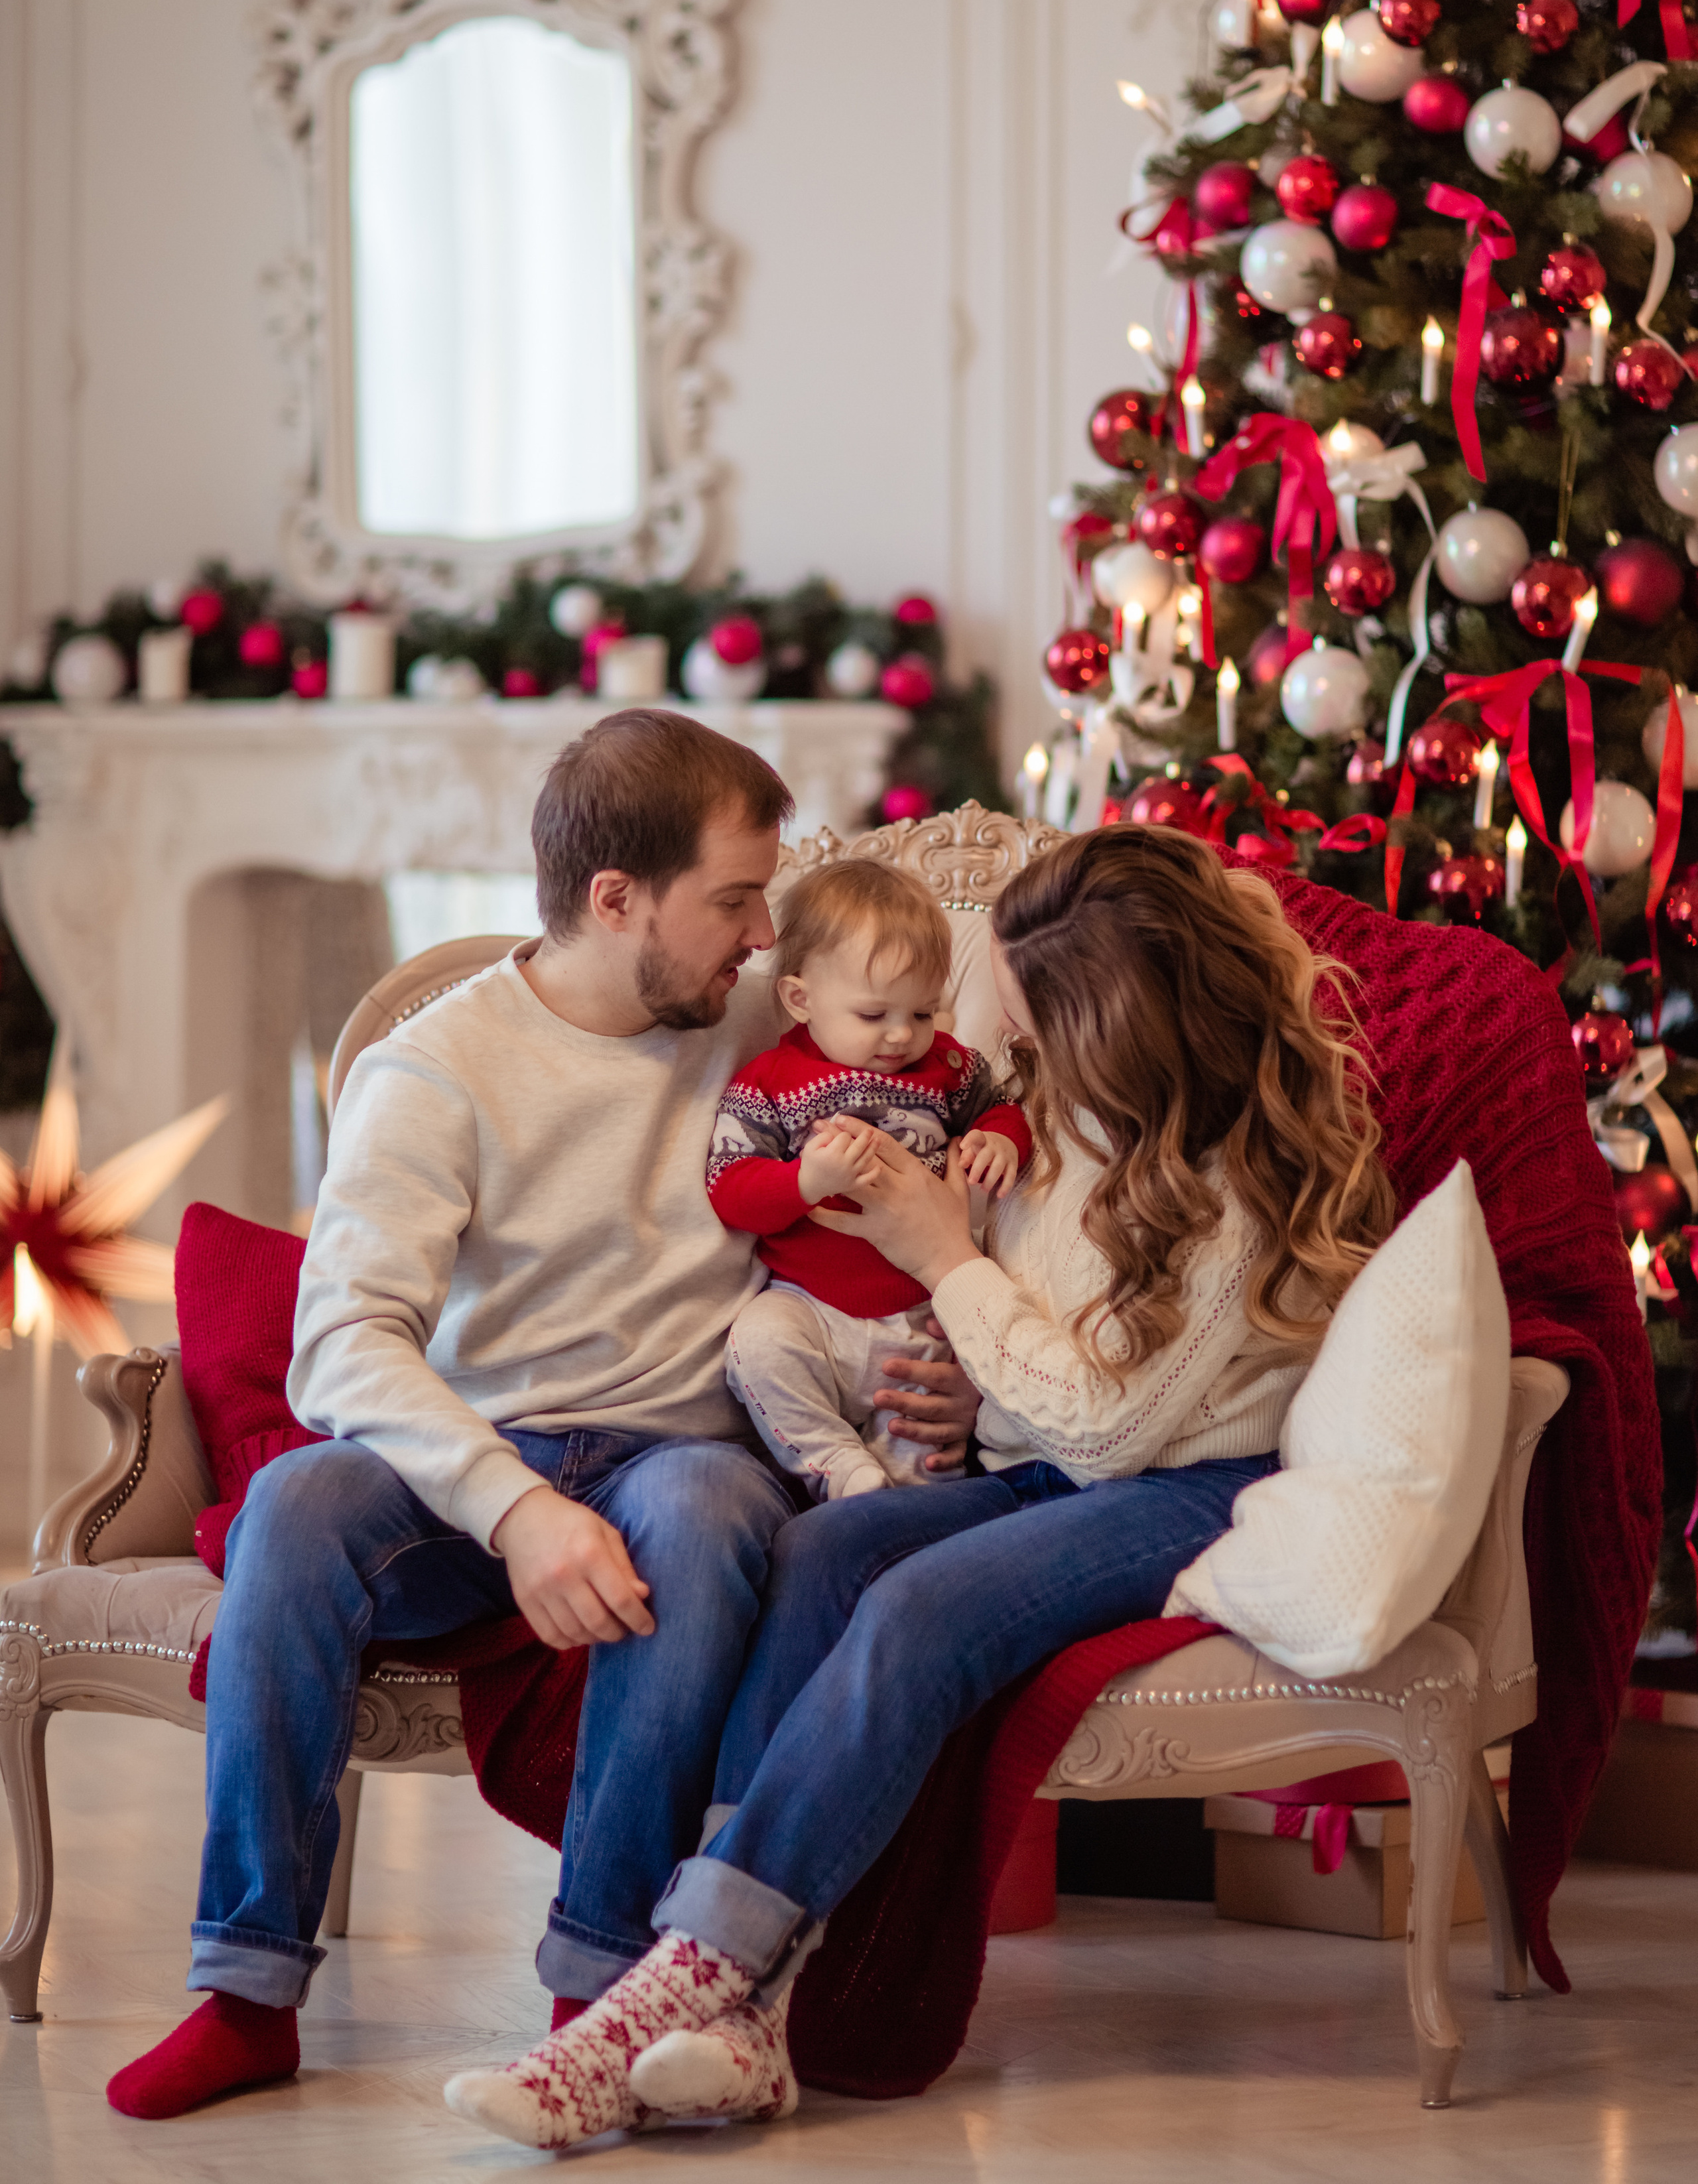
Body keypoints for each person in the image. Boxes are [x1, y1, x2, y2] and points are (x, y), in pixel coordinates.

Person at [443, 825, 1398, 2149]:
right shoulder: (1041, 1112)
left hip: (1186, 1485)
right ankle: (748, 2024)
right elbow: (1043, 1362)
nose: (975, 1033)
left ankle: (682, 1984)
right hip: (1043, 1462)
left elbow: (1117, 1430)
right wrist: (970, 1381)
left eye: (1007, 1002)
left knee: (920, 1612)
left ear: (1099, 1020)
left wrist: (945, 1260)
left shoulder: (1226, 1181)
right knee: (821, 1555)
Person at [106, 710, 980, 2123]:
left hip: (690, 1446)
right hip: (485, 1455)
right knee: (293, 1502)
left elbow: (946, 1106)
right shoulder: (437, 1068)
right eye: (734, 901)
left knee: (696, 1516)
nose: (765, 936)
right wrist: (514, 1510)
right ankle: (245, 1991)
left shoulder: (772, 1018)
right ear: (613, 900)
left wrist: (951, 1346)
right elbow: (340, 1347)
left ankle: (599, 1997)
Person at [708, 858, 1031, 1499]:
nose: (901, 1035)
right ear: (801, 999)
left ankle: (895, 1506)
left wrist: (1001, 1137)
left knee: (927, 1453)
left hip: (920, 1311)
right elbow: (732, 1189)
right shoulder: (769, 1082)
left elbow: (1002, 1109)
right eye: (873, 1014)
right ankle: (837, 1468)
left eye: (923, 1011)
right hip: (811, 1307)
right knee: (757, 1346)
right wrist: (803, 1180)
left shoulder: (950, 1066)